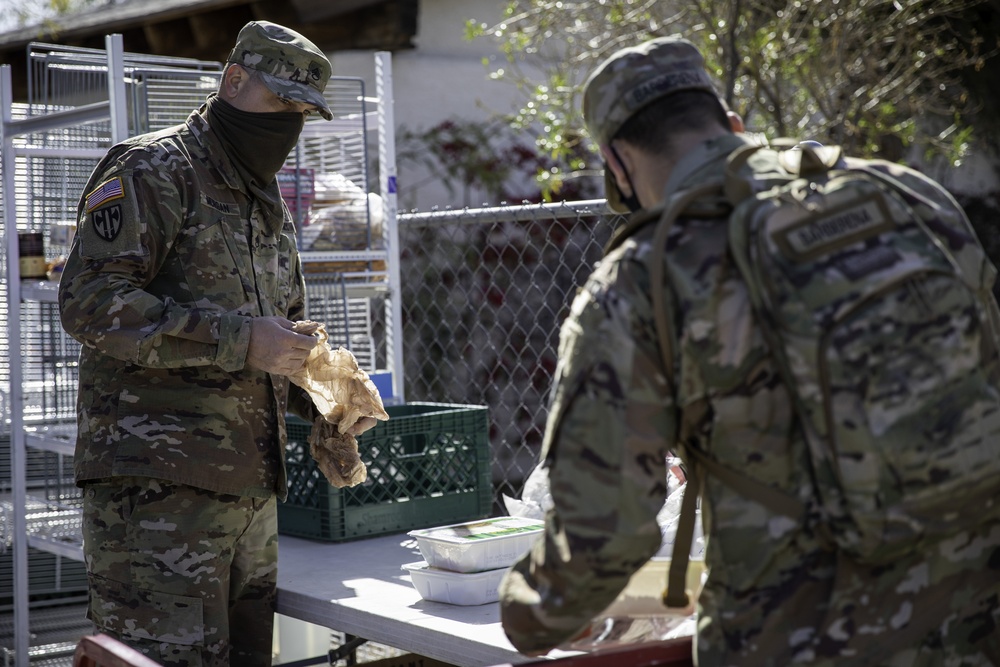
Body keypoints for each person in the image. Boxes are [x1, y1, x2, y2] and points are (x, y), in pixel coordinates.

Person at [498, 36, 1000, 665]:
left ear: (617, 166)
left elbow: (601, 538)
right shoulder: (907, 196)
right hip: (972, 620)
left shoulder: (642, 280)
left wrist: (527, 612)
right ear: (732, 124)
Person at [58, 20, 374, 667]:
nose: (289, 122)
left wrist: (332, 396)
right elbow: (88, 302)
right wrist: (240, 340)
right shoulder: (154, 167)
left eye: (302, 112)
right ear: (233, 81)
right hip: (157, 502)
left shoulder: (265, 204)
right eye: (280, 102)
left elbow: (282, 333)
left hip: (249, 500)